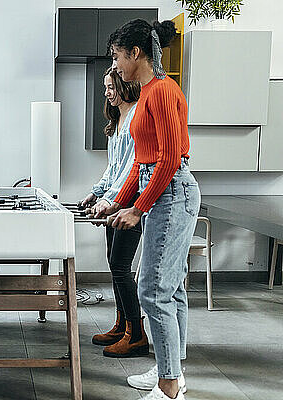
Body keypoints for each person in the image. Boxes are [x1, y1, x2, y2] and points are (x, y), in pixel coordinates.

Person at [100, 19, 201, 400]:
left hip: (172, 192)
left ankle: (170, 385)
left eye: (117, 57)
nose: (116, 66)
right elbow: (144, 162)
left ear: (135, 53)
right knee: (170, 289)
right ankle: (169, 368)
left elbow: (170, 159)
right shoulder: (146, 94)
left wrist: (138, 209)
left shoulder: (161, 91)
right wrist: (115, 200)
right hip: (160, 188)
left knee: (153, 289)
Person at [79, 67, 148, 358]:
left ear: (123, 85)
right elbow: (113, 169)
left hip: (129, 203)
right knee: (114, 265)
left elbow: (132, 169)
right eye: (105, 87)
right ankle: (122, 325)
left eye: (110, 87)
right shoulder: (118, 119)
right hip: (114, 201)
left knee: (121, 267)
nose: (106, 92)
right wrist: (96, 193)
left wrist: (112, 201)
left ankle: (136, 333)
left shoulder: (135, 118)